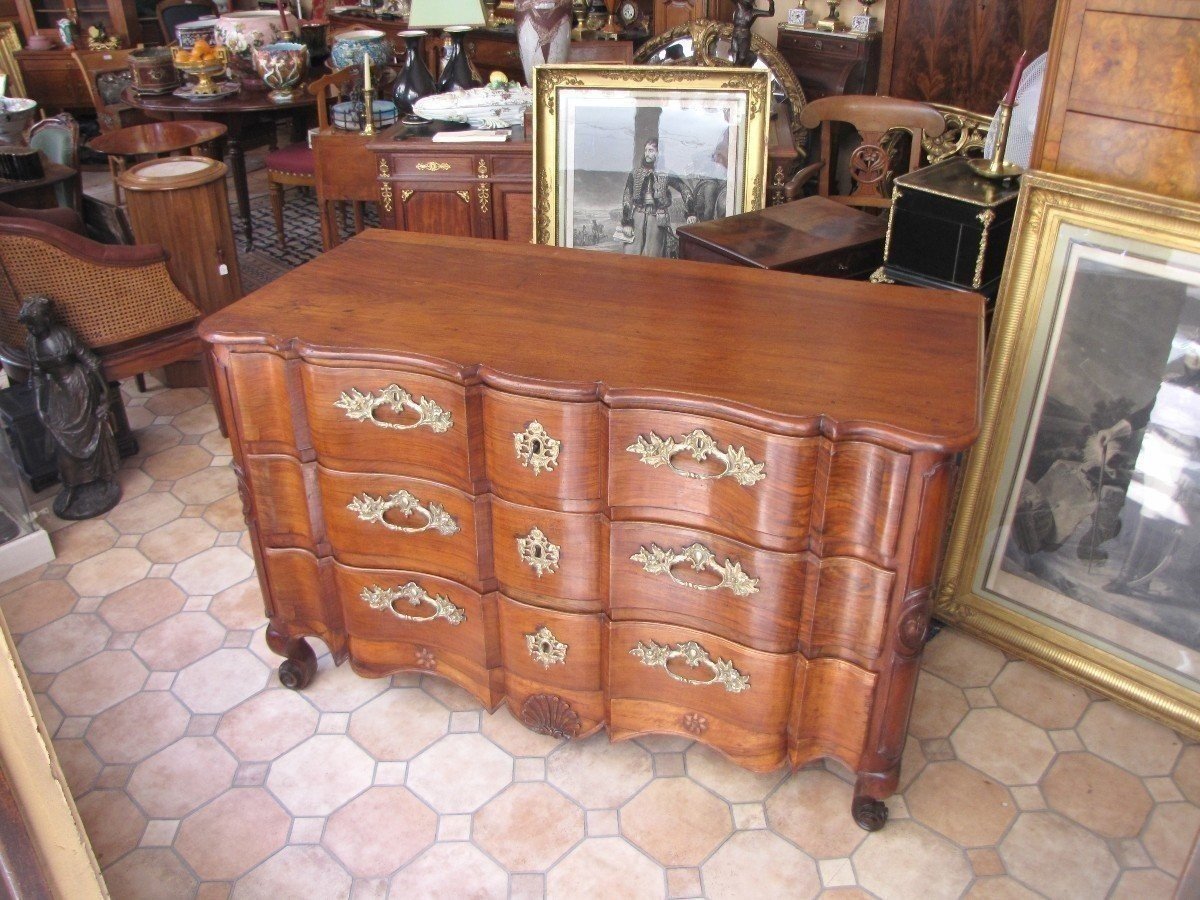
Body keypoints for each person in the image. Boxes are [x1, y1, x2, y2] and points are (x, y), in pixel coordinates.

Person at [18, 294, 121, 519]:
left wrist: (105, 397)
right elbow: (36, 375)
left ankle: (100, 478)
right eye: (29, 326)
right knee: (60, 440)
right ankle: (73, 485)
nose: (32, 329)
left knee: (91, 432)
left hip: (78, 387)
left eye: (34, 323)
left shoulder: (63, 335)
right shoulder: (31, 343)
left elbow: (91, 361)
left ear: (45, 320)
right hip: (57, 392)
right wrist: (39, 406)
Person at [616, 138, 695, 258]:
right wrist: (627, 222)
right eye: (646, 150)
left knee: (653, 255)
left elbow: (684, 189)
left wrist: (691, 213)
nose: (647, 154)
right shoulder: (635, 173)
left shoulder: (666, 173)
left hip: (657, 218)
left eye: (651, 150)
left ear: (659, 153)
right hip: (637, 215)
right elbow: (627, 195)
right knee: (630, 253)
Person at [731, 0, 774, 67]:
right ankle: (736, 71)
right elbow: (770, 13)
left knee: (742, 57)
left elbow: (770, 13)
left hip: (744, 35)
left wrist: (771, 3)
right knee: (735, 55)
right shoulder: (739, 4)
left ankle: (740, 71)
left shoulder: (753, 12)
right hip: (736, 34)